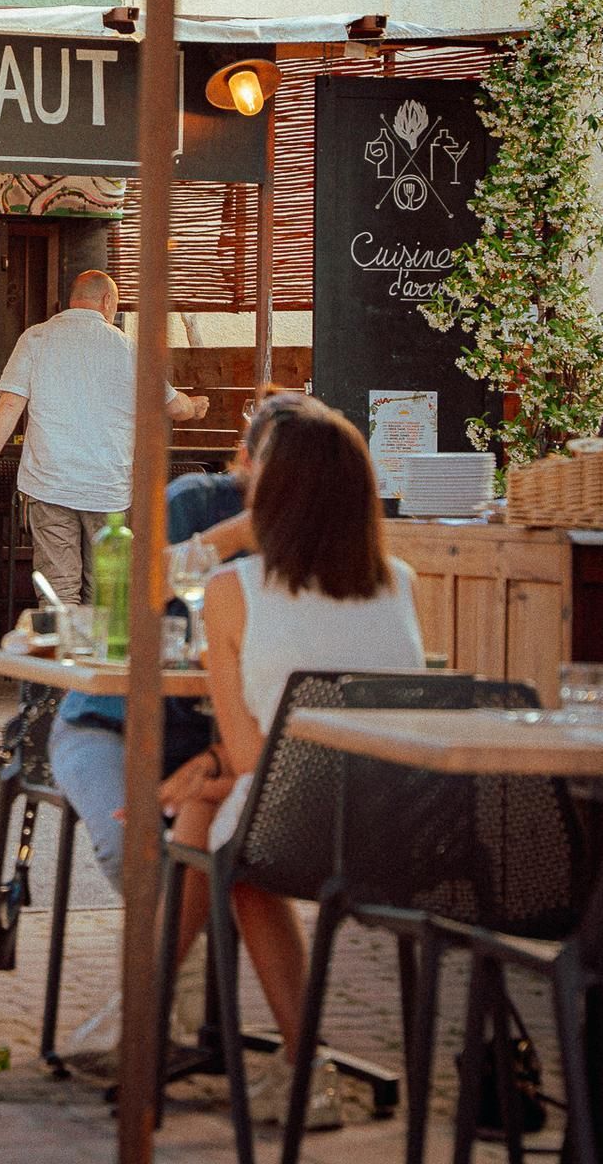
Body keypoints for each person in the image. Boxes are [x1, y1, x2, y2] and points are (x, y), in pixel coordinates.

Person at [159, 396, 425, 1129]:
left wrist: (203, 774)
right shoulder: (398, 581)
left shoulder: (231, 590)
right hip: (400, 832)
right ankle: (292, 1065)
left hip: (292, 829)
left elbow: (249, 756)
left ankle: (149, 1030)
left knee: (224, 838)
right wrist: (213, 778)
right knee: (215, 816)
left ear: (271, 493)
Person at [48, 392, 305, 895]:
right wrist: (232, 537)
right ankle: (177, 959)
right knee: (133, 843)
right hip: (111, 723)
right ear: (246, 460)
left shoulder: (315, 536)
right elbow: (132, 595)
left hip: (222, 742)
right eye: (277, 467)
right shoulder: (196, 502)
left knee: (244, 858)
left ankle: (178, 957)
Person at [0, 270, 209, 605]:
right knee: (107, 593)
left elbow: (10, 403)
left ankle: (61, 654)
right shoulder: (128, 349)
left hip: (48, 485)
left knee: (58, 591)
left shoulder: (36, 338)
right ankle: (98, 656)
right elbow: (173, 406)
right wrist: (194, 407)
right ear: (108, 301)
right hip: (107, 489)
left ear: (73, 299)